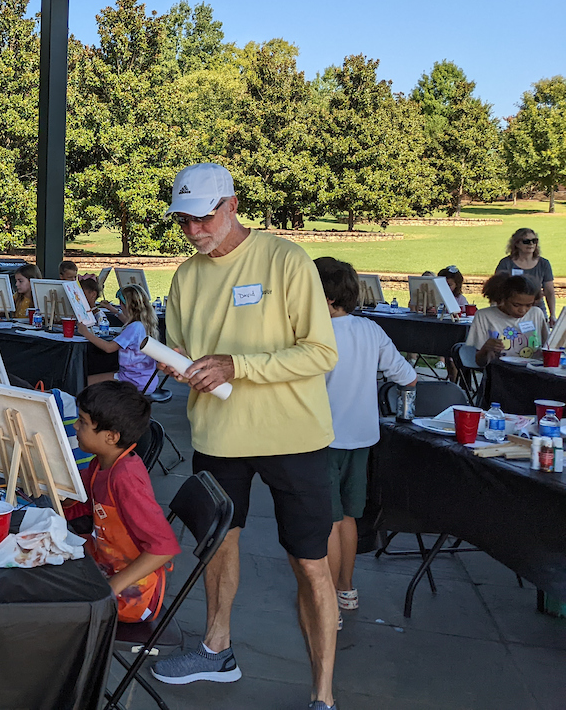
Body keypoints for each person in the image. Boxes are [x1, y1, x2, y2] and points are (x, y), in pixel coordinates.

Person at [150, 163, 340, 710]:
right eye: (183, 222)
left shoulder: (286, 259)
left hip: (293, 435)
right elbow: (187, 352)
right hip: (217, 433)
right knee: (216, 544)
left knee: (308, 561)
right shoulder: (187, 275)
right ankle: (217, 650)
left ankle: (322, 696)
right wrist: (174, 365)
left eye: (203, 218)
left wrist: (238, 366)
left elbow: (321, 352)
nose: (193, 231)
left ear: (232, 205)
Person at [314, 257, 416, 628]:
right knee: (348, 516)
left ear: (323, 298)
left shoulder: (314, 333)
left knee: (325, 520)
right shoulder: (372, 330)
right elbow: (408, 378)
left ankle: (327, 603)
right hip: (363, 439)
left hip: (322, 439)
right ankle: (347, 589)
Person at [68, 381, 180, 622]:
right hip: (104, 562)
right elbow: (87, 503)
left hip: (131, 596)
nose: (76, 426)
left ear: (111, 437)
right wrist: (62, 497)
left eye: (83, 423)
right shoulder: (101, 463)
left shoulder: (126, 479)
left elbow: (164, 548)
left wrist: (110, 588)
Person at [80, 284, 159, 392]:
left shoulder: (135, 327)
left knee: (82, 383)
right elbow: (127, 321)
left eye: (120, 304)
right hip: (146, 379)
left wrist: (86, 333)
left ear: (127, 305)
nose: (120, 307)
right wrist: (112, 309)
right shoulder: (144, 323)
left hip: (133, 380)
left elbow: (109, 348)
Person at [466, 272, 549, 363]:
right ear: (503, 299)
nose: (523, 310)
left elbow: (549, 346)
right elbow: (478, 362)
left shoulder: (536, 313)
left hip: (532, 373)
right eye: (516, 305)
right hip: (499, 373)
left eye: (529, 305)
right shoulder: (484, 316)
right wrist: (485, 349)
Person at [495, 228, 555, 323]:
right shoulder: (506, 263)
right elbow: (497, 289)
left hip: (537, 309)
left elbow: (549, 291)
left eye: (534, 241)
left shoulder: (544, 264)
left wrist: (553, 315)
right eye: (526, 241)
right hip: (511, 311)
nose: (531, 244)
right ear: (517, 244)